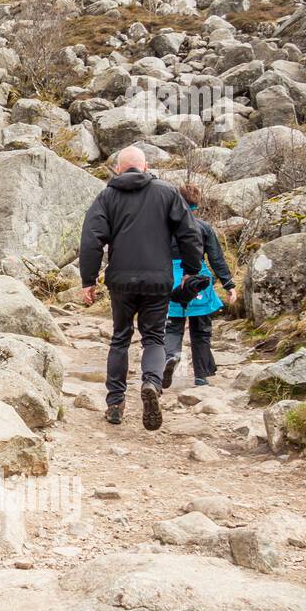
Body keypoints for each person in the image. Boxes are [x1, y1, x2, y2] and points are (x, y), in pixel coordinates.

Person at [79, 146, 203, 431]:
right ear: (145, 167)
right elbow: (190, 232)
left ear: (119, 169)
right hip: (158, 281)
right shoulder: (167, 192)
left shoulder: (107, 196)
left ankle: (115, 403)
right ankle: (151, 382)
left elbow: (91, 240)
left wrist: (88, 280)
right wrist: (191, 270)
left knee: (120, 338)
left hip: (120, 280)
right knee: (153, 338)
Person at [164, 184, 235, 389]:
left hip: (170, 278)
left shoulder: (163, 226)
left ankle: (171, 356)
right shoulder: (203, 227)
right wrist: (228, 284)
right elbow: (216, 257)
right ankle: (201, 376)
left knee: (172, 325)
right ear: (197, 203)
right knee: (201, 329)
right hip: (197, 279)